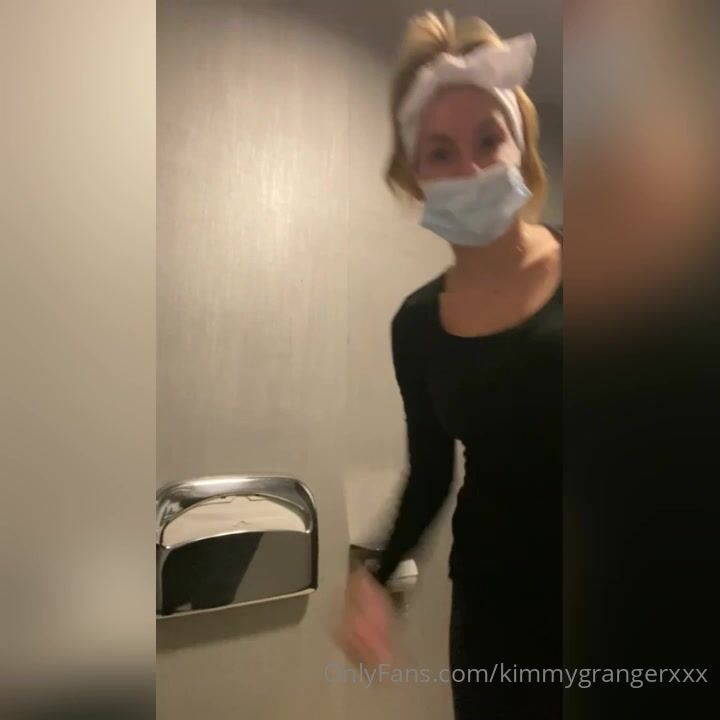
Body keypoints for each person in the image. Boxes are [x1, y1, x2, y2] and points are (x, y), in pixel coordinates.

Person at [338, 12, 562, 719]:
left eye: (488, 140)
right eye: (440, 151)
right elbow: (432, 473)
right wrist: (374, 575)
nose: (469, 169)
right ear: (415, 175)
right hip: (495, 608)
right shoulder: (417, 326)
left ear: (520, 146)